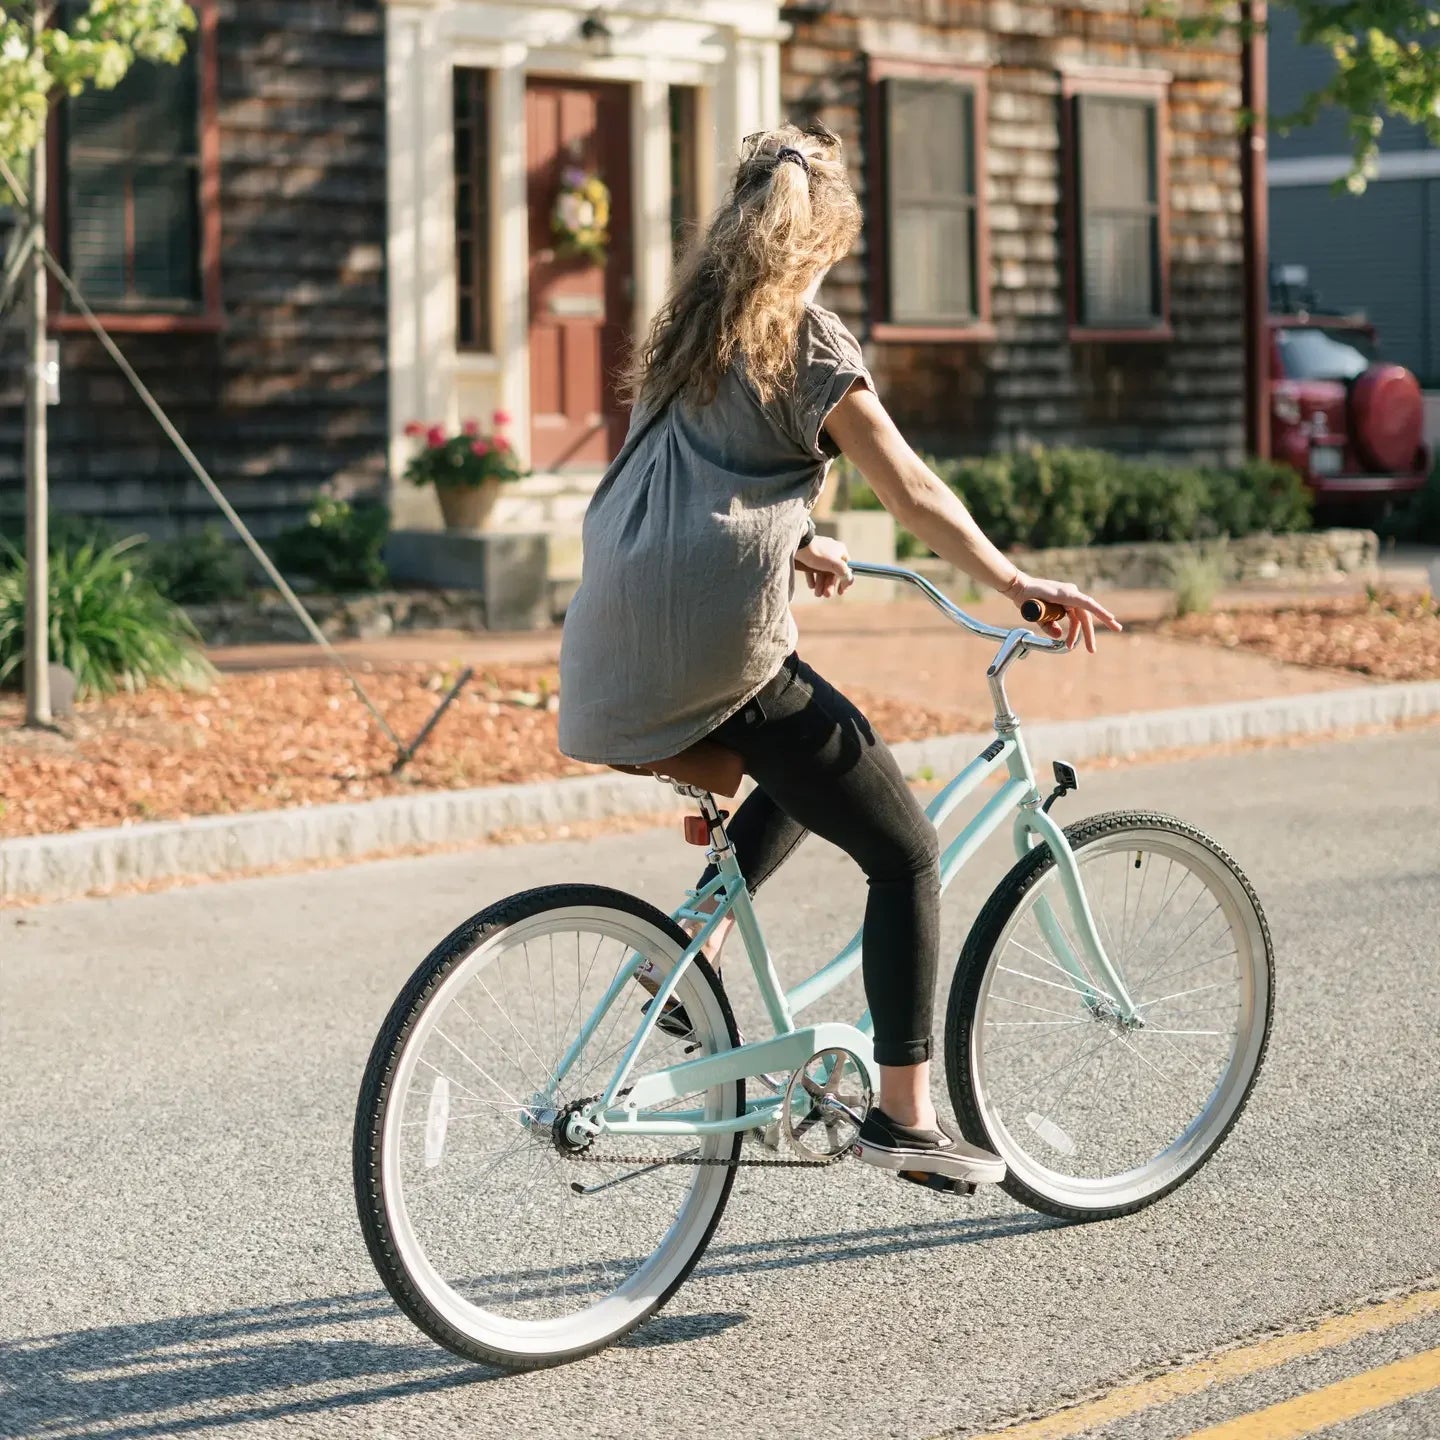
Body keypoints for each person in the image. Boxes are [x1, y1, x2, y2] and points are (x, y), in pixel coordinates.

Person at [558, 123, 1121, 1188]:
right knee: (903, 851)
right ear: (822, 242)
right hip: (711, 647)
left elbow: (691, 474)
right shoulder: (806, 342)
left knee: (815, 749)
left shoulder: (686, 330)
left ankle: (698, 946)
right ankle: (904, 1117)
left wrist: (800, 535)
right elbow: (910, 488)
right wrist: (1015, 584)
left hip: (606, 637)